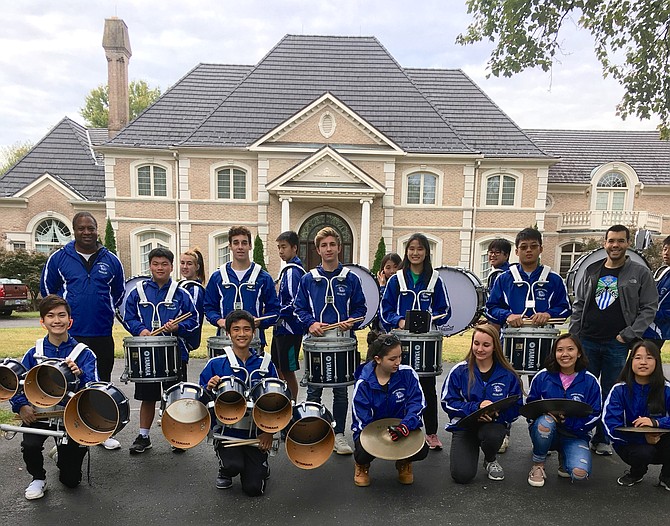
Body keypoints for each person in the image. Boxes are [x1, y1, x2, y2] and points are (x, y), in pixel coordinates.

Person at [570, 224, 658, 456]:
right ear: (604, 243)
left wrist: (627, 335)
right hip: (587, 341)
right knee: (584, 389)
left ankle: (602, 438)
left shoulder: (640, 273)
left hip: (616, 345)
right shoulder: (592, 269)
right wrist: (574, 336)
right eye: (611, 241)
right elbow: (579, 305)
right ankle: (577, 434)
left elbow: (649, 308)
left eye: (620, 241)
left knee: (610, 392)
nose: (615, 245)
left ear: (627, 243)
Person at [40, 212, 124, 450]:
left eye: (91, 228)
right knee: (66, 382)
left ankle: (102, 430)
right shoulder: (59, 259)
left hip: (101, 332)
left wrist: (103, 310)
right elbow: (48, 293)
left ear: (97, 230)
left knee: (100, 382)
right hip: (71, 336)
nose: (87, 232)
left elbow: (118, 293)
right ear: (73, 230)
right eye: (81, 228)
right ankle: (66, 430)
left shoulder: (112, 260)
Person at [10, 295, 99, 500]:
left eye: (61, 315)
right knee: (31, 446)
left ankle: (63, 455)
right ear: (42, 321)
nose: (56, 320)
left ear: (70, 321)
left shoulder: (84, 353)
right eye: (50, 316)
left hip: (69, 417)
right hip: (39, 414)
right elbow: (18, 383)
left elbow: (94, 389)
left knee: (70, 482)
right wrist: (22, 406)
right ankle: (38, 478)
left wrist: (80, 375)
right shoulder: (34, 352)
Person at [294, 227, 367, 455]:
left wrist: (351, 321)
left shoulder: (350, 278)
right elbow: (299, 308)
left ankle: (338, 435)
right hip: (316, 342)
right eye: (324, 245)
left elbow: (360, 308)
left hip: (343, 341)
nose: (328, 249)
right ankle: (313, 432)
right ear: (318, 250)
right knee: (314, 389)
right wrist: (310, 323)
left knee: (340, 390)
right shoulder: (308, 279)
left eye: (332, 245)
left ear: (339, 247)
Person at [123, 247, 198, 454]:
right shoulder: (137, 292)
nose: (160, 267)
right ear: (150, 266)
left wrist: (178, 327)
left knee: (174, 396)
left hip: (174, 352)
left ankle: (176, 435)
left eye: (164, 264)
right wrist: (141, 330)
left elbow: (193, 319)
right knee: (148, 396)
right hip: (147, 351)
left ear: (172, 267)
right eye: (156, 264)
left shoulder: (181, 293)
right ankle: (144, 436)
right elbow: (128, 316)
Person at [380, 233, 450, 450]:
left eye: (420, 249)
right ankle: (396, 428)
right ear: (406, 251)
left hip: (426, 343)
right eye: (411, 248)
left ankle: (431, 433)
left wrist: (431, 319)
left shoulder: (435, 279)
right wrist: (398, 321)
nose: (415, 253)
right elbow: (385, 310)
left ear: (426, 252)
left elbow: (445, 310)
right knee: (399, 385)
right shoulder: (396, 279)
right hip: (401, 342)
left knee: (427, 387)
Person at [200, 310, 279, 496]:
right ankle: (226, 469)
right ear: (228, 333)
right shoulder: (216, 363)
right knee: (233, 465)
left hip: (256, 434)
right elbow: (202, 400)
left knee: (253, 489)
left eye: (246, 329)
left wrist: (268, 432)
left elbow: (277, 402)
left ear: (253, 332)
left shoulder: (266, 364)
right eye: (236, 329)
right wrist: (209, 387)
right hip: (228, 434)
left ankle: (260, 464)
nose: (241, 334)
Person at [441, 324, 522, 484]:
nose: (479, 349)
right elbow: (447, 402)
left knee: (492, 435)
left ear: (495, 347)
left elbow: (517, 405)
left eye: (486, 345)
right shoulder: (459, 371)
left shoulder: (508, 374)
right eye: (476, 343)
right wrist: (476, 408)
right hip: (465, 425)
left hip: (493, 425)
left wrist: (496, 416)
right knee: (462, 476)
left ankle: (490, 459)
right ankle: (468, 448)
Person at [350, 331, 429, 487]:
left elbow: (417, 404)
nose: (398, 362)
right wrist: (375, 436)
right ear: (377, 359)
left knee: (422, 450)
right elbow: (360, 420)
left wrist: (405, 425)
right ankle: (362, 465)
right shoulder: (363, 383)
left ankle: (404, 461)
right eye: (392, 359)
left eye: (400, 357)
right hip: (373, 431)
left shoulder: (408, 374)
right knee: (362, 452)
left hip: (402, 427)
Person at [525, 334, 602, 487]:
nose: (565, 354)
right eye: (559, 350)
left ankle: (565, 458)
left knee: (579, 473)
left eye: (570, 349)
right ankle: (538, 464)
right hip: (546, 429)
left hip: (576, 434)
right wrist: (543, 416)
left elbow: (596, 414)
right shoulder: (542, 377)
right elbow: (530, 407)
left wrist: (569, 422)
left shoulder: (590, 381)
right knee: (544, 424)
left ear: (579, 352)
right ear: (554, 353)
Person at [602, 340, 670, 489]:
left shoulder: (666, 389)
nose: (643, 362)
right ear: (630, 361)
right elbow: (610, 424)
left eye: (649, 357)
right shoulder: (619, 390)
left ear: (657, 361)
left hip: (660, 441)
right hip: (629, 444)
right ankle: (636, 472)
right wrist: (642, 438)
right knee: (643, 453)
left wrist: (656, 423)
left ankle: (667, 476)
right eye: (638, 357)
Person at [204, 226, 280, 350]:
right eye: (236, 243)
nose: (240, 247)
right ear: (230, 246)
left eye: (244, 243)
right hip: (225, 342)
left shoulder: (263, 277)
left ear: (250, 246)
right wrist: (219, 321)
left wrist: (260, 322)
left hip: (254, 342)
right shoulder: (217, 276)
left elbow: (275, 311)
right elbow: (208, 307)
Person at [486, 228, 571, 329]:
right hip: (511, 337)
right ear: (517, 251)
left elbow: (565, 308)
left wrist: (548, 314)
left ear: (541, 249)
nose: (529, 250)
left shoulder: (554, 279)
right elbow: (491, 308)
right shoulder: (504, 279)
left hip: (544, 337)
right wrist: (508, 315)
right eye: (524, 247)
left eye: (534, 246)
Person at [272, 231, 306, 403]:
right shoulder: (286, 270)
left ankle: (292, 404)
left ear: (294, 248)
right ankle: (284, 400)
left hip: (290, 329)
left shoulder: (293, 271)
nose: (280, 251)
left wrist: (274, 312)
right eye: (278, 247)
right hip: (280, 328)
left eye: (284, 247)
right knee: (277, 367)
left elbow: (294, 303)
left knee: (288, 369)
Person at [643, 235, 670, 351]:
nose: (666, 253)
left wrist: (654, 314)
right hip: (648, 327)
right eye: (665, 249)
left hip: (658, 329)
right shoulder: (664, 271)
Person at [179, 247, 207, 353]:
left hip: (184, 339)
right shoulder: (181, 285)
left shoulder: (195, 289)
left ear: (197, 267)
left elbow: (192, 315)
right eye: (182, 263)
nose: (185, 267)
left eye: (189, 264)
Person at [372, 253, 401, 334]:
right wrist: (382, 287)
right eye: (388, 268)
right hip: (383, 329)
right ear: (382, 270)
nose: (392, 271)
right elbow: (381, 307)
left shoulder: (405, 286)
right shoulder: (376, 287)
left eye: (396, 267)